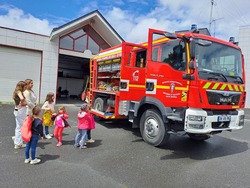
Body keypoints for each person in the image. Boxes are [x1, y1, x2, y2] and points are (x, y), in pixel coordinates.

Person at [13, 81, 27, 149]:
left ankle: (17, 141)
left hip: (17, 110)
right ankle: (18, 144)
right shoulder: (18, 91)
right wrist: (24, 103)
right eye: (24, 87)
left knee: (18, 127)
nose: (25, 88)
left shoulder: (16, 91)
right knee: (22, 127)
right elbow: (22, 99)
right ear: (21, 86)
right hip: (20, 111)